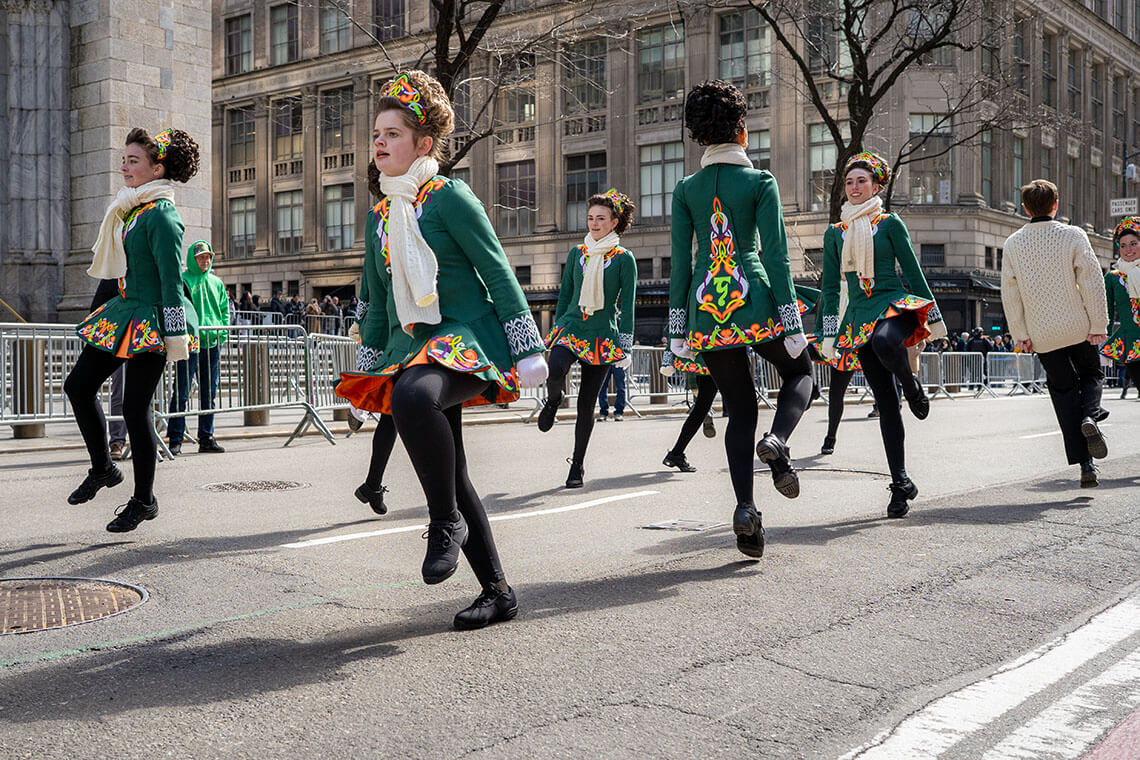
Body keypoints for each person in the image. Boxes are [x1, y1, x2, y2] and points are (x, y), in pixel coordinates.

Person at [336, 70, 548, 629]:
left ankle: (444, 522)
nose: (379, 142)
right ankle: (498, 591)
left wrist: (527, 346)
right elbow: (375, 301)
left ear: (423, 144)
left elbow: (497, 271)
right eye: (376, 133)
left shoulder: (449, 196)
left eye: (393, 133)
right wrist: (368, 370)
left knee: (414, 396)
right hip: (416, 343)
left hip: (469, 336)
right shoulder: (380, 214)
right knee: (450, 470)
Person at [668, 80, 813, 559]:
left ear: (700, 135)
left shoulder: (685, 188)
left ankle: (746, 511)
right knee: (801, 373)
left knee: (738, 407)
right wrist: (791, 320)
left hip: (705, 309)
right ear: (742, 131)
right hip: (755, 300)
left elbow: (680, 265)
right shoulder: (760, 182)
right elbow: (775, 256)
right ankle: (778, 439)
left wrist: (676, 332)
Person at [65, 127, 201, 532]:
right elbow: (116, 269)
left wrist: (174, 336)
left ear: (157, 168)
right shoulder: (133, 208)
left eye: (133, 160)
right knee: (78, 385)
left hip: (153, 317)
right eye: (124, 159)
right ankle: (103, 468)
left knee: (135, 407)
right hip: (124, 311)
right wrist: (97, 313)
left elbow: (172, 280)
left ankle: (144, 500)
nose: (124, 166)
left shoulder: (161, 214)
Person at [818, 151, 947, 518]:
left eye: (862, 181)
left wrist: (934, 319)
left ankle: (912, 385)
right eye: (849, 182)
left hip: (894, 304)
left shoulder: (889, 224)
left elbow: (913, 270)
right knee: (886, 405)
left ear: (877, 186)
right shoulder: (835, 234)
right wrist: (829, 334)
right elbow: (830, 288)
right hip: (859, 315)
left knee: (886, 341)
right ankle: (900, 484)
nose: (854, 187)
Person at [1000, 179, 1109, 487]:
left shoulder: (1013, 244)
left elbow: (1011, 293)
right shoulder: (1074, 235)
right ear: (1056, 204)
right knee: (1091, 375)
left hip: (1042, 334)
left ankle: (1086, 466)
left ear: (1025, 208)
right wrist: (1098, 324)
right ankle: (1091, 416)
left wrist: (1020, 333)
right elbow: (1091, 280)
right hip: (1076, 326)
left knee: (1063, 393)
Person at [536, 189, 637, 488]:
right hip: (572, 326)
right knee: (555, 367)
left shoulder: (624, 259)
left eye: (600, 219)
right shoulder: (577, 253)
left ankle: (577, 465)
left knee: (586, 405)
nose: (593, 224)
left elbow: (628, 305)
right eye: (590, 218)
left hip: (602, 334)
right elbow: (566, 294)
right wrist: (559, 325)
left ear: (614, 222)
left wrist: (626, 345)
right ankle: (553, 400)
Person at [167, 240, 229, 456]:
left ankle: (206, 437)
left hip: (212, 342)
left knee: (209, 392)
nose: (205, 260)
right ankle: (175, 438)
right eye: (201, 257)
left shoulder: (216, 282)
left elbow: (224, 309)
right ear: (192, 260)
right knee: (182, 391)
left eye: (208, 257)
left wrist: (222, 332)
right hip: (191, 342)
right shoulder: (183, 280)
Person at [659, 348, 717, 472]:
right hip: (710, 356)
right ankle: (676, 453)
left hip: (698, 356)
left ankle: (676, 453)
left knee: (701, 408)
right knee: (701, 409)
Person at [1101, 217, 1140, 405]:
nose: (1128, 249)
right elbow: (1106, 311)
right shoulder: (1112, 278)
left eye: (1133, 243)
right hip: (1132, 346)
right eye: (1123, 246)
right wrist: (1102, 342)